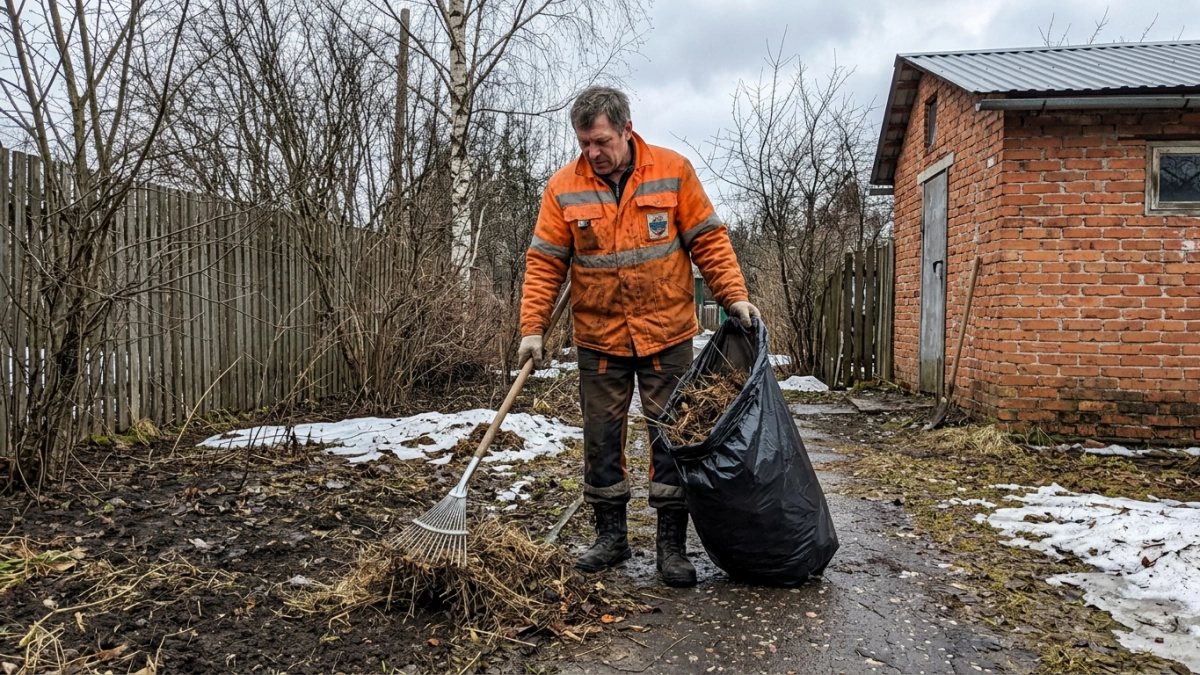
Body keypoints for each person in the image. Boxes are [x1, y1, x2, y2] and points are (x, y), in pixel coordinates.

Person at [518, 87, 759, 587]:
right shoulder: (563, 188)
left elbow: (709, 240)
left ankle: (671, 547)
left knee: (671, 438)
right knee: (601, 440)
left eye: (601, 141)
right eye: (584, 143)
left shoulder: (673, 171)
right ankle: (611, 538)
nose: (592, 153)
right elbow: (544, 263)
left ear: (627, 129)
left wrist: (733, 295)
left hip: (666, 334)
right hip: (600, 339)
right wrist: (533, 329)